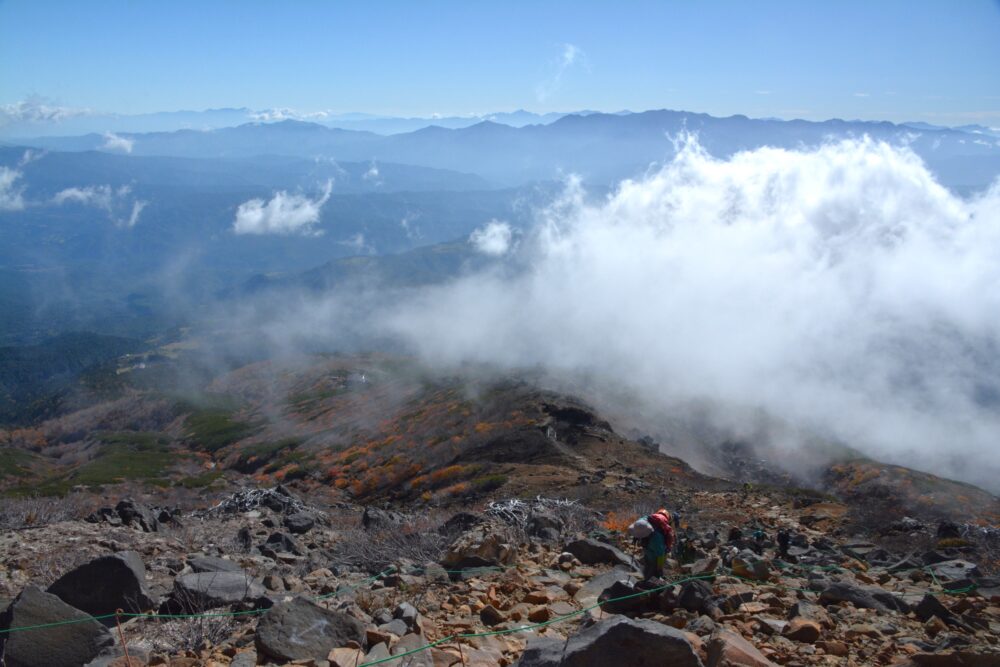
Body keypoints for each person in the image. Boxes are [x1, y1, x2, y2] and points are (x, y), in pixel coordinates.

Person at [628, 508, 675, 580]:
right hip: (654, 551)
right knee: (652, 570)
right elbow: (661, 554)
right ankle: (651, 579)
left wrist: (636, 536)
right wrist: (660, 568)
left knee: (649, 568)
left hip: (649, 549)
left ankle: (648, 579)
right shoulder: (655, 529)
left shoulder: (648, 518)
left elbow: (637, 525)